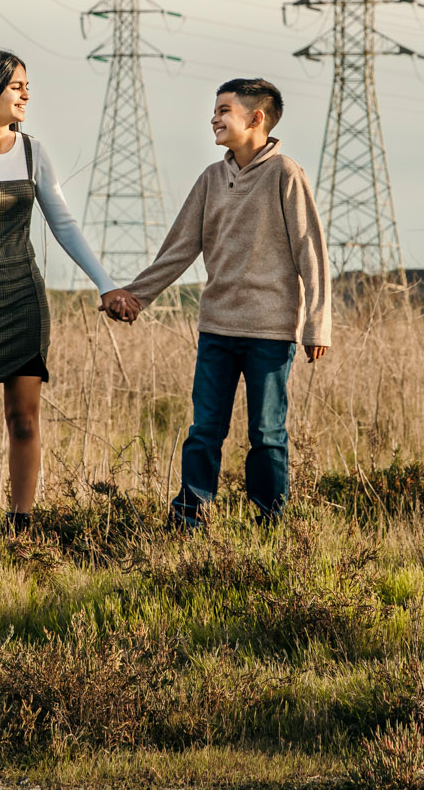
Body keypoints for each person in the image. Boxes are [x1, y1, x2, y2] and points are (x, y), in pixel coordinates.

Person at [0, 49, 136, 529]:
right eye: (16, 85)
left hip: (24, 302)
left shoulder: (33, 151)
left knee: (24, 421)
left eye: (27, 85)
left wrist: (106, 284)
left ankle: (22, 527)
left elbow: (64, 223)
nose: (26, 93)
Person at [114, 77, 331, 528]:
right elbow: (179, 247)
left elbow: (311, 253)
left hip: (270, 333)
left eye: (224, 110)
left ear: (256, 118)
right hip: (216, 328)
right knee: (204, 431)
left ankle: (269, 524)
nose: (214, 118)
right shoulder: (212, 178)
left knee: (267, 434)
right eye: (214, 110)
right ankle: (188, 521)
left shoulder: (286, 174)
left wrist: (317, 325)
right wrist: (136, 296)